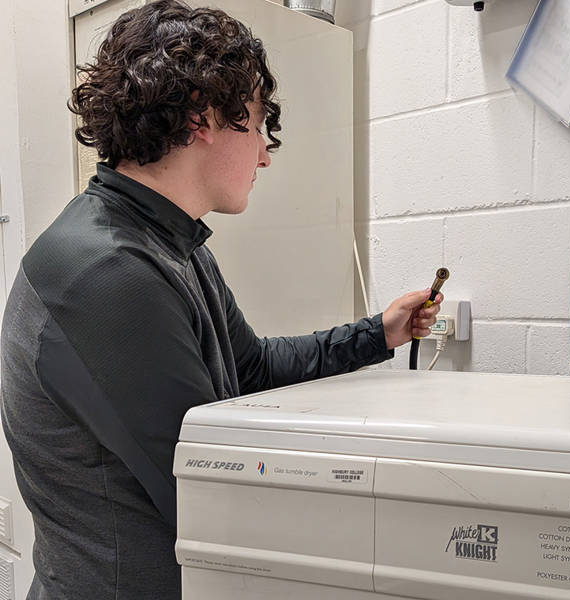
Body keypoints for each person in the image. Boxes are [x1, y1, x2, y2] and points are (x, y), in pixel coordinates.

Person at [0, 1, 441, 598]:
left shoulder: (170, 245)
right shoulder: (107, 273)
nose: (264, 153)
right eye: (256, 125)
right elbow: (213, 493)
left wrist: (378, 333)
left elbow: (249, 368)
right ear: (201, 117)